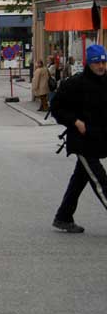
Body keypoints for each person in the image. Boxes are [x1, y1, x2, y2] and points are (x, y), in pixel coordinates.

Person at [50, 44, 107, 234]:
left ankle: (63, 217)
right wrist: (75, 121)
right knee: (100, 180)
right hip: (82, 141)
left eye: (104, 62)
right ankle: (63, 217)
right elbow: (56, 107)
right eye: (97, 63)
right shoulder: (75, 84)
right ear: (88, 63)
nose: (101, 66)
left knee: (80, 179)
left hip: (99, 140)